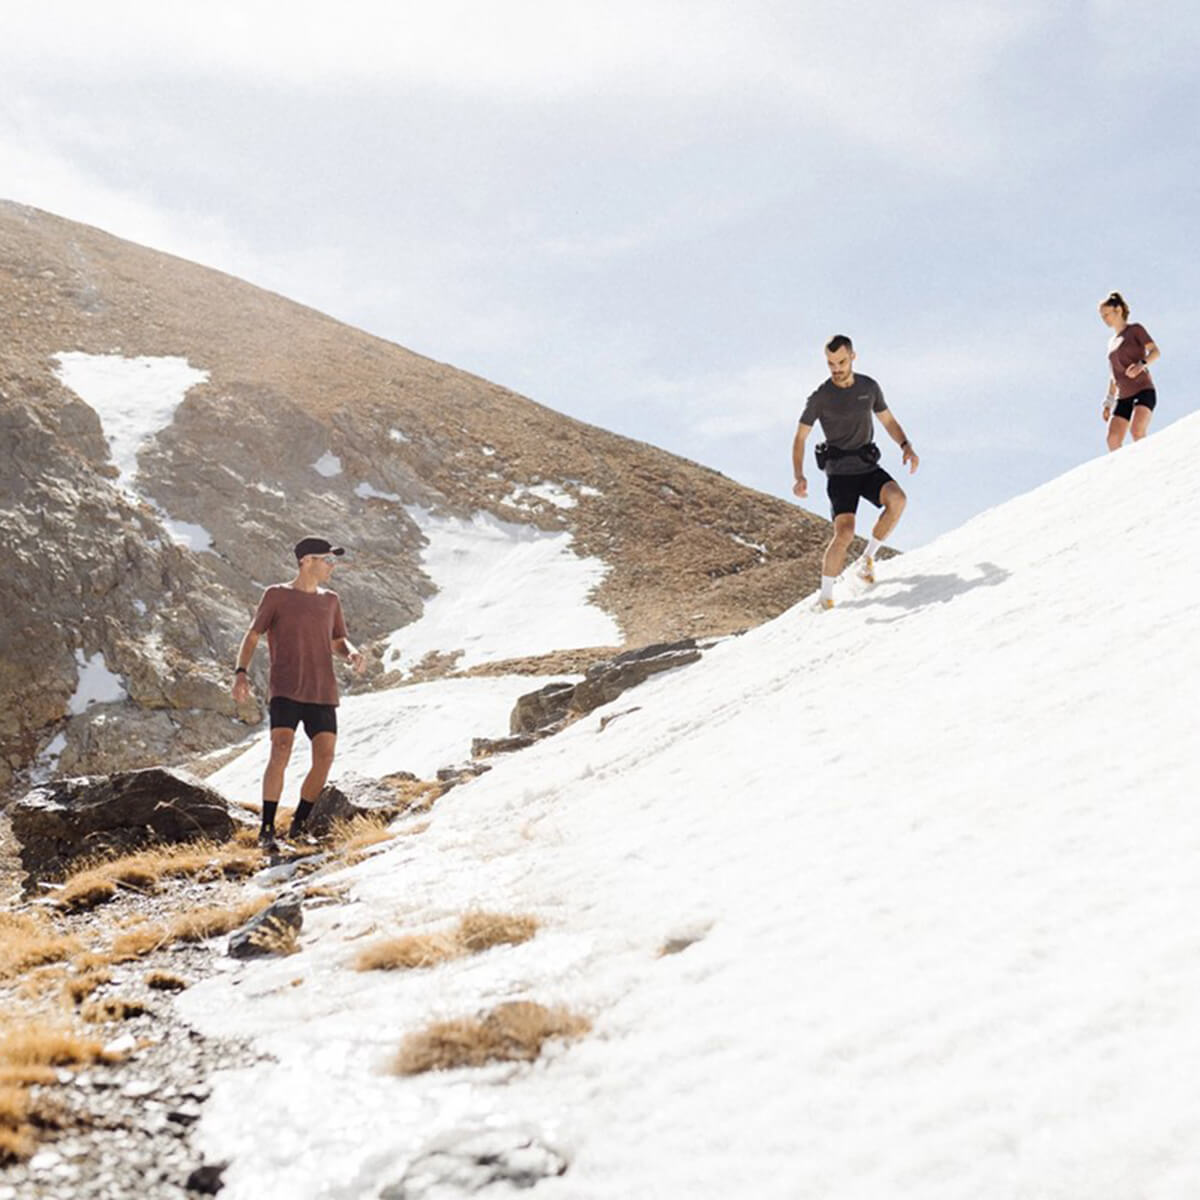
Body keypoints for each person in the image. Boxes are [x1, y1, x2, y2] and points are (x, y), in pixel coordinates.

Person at [231, 536, 366, 850]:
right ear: (307, 561)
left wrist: (352, 653)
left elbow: (337, 641)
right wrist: (241, 673)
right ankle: (266, 829)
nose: (332, 566)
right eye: (327, 560)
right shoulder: (277, 595)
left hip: (322, 690)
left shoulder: (330, 600)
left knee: (325, 757)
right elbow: (252, 636)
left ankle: (299, 824)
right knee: (280, 751)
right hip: (287, 688)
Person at [791, 335, 919, 609]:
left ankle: (867, 560)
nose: (836, 368)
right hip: (839, 474)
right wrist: (799, 475)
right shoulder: (821, 397)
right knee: (845, 533)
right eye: (830, 363)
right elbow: (800, 437)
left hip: (867, 467)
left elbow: (888, 420)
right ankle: (825, 597)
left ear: (852, 357)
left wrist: (906, 445)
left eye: (841, 361)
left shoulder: (869, 387)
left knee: (898, 500)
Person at [1099, 291, 1160, 452]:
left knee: (1137, 431)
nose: (1104, 318)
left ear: (1118, 310)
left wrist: (1141, 364)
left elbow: (1155, 351)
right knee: (1112, 439)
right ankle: (1123, 474)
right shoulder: (1111, 343)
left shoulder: (1135, 330)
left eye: (1106, 314)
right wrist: (1108, 402)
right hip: (1123, 396)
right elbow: (1114, 375)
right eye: (1102, 316)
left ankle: (1149, 465)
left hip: (1143, 390)